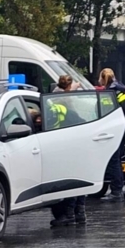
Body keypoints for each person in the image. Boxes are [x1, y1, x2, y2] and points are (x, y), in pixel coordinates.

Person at [50, 75, 87, 226]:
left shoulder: (53, 101)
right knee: (76, 178)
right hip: (73, 145)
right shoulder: (67, 104)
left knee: (70, 180)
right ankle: (79, 213)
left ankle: (69, 214)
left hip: (61, 146)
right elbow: (81, 121)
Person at [99, 68, 125, 202]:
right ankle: (117, 190)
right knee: (116, 160)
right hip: (122, 129)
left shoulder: (111, 92)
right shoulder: (122, 90)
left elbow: (109, 112)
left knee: (114, 161)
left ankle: (116, 191)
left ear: (102, 78)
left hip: (115, 130)